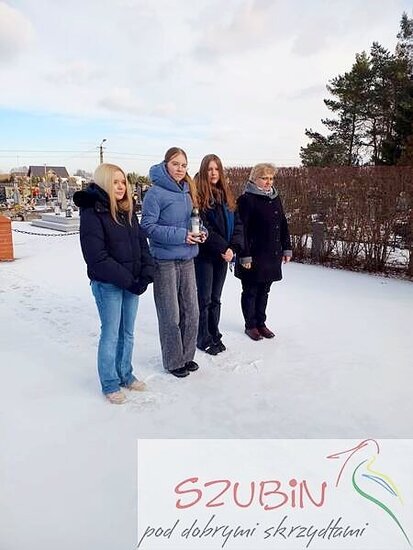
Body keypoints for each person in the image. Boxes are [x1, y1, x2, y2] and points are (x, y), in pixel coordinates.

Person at [73, 163, 154, 404]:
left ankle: (125, 374)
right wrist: (129, 281)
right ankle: (109, 382)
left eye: (123, 182)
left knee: (127, 333)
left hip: (132, 282)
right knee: (111, 334)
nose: (121, 187)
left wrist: (146, 273)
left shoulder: (126, 210)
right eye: (115, 182)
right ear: (104, 183)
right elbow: (96, 257)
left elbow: (142, 244)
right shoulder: (92, 212)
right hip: (108, 285)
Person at [141, 147, 205, 378]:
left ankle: (187, 356)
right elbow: (147, 227)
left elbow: (194, 221)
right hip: (164, 261)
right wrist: (181, 235)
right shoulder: (155, 193)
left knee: (192, 311)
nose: (180, 169)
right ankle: (173, 361)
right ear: (165, 164)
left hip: (187, 259)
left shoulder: (187, 191)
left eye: (184, 165)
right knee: (171, 315)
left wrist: (201, 232)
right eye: (175, 164)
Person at [235, 163, 292, 341]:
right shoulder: (246, 199)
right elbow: (241, 229)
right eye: (264, 178)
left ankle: (261, 323)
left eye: (271, 178)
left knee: (264, 291)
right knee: (251, 290)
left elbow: (282, 223)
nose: (268, 182)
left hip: (271, 254)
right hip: (253, 255)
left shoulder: (275, 197)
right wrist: (244, 255)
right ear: (254, 179)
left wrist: (286, 247)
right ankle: (251, 325)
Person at [194, 154, 244, 355]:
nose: (213, 173)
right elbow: (204, 226)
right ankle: (203, 337)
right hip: (205, 255)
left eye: (216, 169)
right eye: (209, 169)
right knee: (204, 298)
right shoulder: (197, 196)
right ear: (204, 171)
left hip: (224, 256)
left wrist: (233, 248)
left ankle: (214, 333)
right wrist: (224, 248)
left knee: (216, 298)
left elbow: (238, 224)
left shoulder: (226, 194)